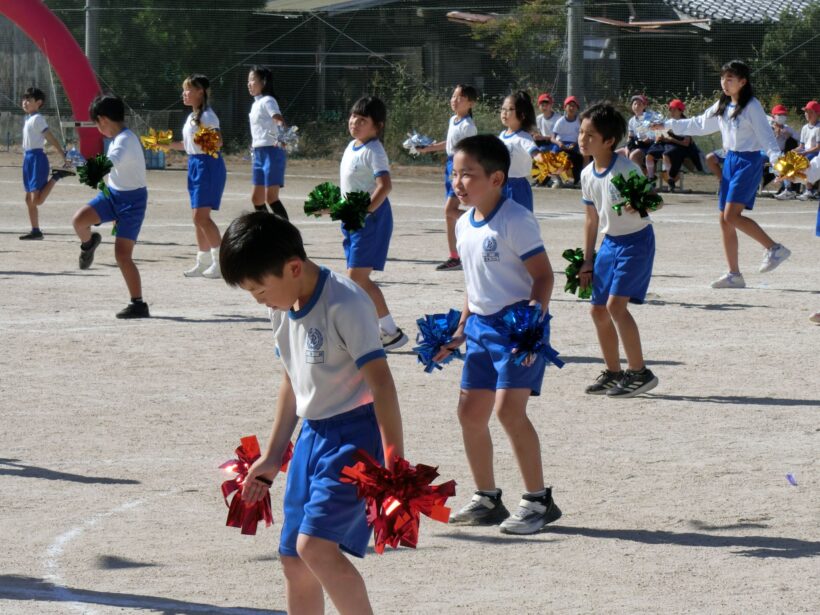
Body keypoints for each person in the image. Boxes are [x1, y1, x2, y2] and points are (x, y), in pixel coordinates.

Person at [220, 212, 404, 615]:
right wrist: (272, 455)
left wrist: (393, 462)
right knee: (293, 558)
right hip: (311, 437)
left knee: (315, 548)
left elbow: (383, 385)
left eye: (259, 290)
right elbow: (292, 380)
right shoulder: (281, 305)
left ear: (293, 267)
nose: (259, 300)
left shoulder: (347, 302)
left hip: (355, 439)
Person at [434, 134, 562, 535]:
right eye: (455, 174)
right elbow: (473, 288)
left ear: (496, 178)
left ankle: (539, 501)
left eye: (467, 175)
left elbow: (543, 276)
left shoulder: (515, 219)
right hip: (480, 328)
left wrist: (532, 328)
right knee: (470, 414)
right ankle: (488, 498)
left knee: (509, 412)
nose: (458, 182)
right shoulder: (463, 225)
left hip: (516, 326)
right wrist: (458, 333)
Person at [657, 60, 790, 289]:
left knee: (731, 216)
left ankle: (774, 248)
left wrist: (779, 164)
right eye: (723, 78)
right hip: (730, 161)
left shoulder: (752, 106)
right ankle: (734, 274)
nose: (724, 83)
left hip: (748, 161)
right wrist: (666, 125)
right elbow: (699, 124)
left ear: (742, 82)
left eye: (730, 79)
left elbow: (767, 138)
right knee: (724, 219)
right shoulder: (723, 104)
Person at [578, 102, 660, 398]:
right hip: (609, 244)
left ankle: (640, 372)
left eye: (590, 135)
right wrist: (588, 260)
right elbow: (591, 219)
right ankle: (614, 373)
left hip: (636, 242)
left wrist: (638, 202)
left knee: (615, 306)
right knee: (597, 310)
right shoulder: (587, 174)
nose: (582, 139)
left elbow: (654, 201)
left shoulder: (625, 169)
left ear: (609, 141)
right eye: (581, 132)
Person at [71, 94, 150, 318]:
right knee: (79, 221)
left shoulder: (125, 141)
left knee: (122, 256)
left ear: (103, 119)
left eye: (96, 122)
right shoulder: (117, 138)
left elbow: (100, 169)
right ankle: (89, 244)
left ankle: (138, 304)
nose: (97, 128)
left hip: (132, 203)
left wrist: (77, 161)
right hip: (112, 194)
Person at [340, 96, 407, 350]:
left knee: (357, 277)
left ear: (377, 126)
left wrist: (365, 211)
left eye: (362, 119)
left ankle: (390, 332)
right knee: (356, 279)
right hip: (351, 218)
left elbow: (385, 186)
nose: (354, 122)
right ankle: (381, 330)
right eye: (353, 117)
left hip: (370, 219)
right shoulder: (352, 146)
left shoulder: (374, 150)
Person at [416, 84, 478, 272]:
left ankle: (484, 222)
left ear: (470, 103)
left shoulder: (468, 126)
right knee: (449, 214)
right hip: (451, 166)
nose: (454, 100)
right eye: (453, 96)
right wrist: (428, 148)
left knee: (450, 210)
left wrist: (462, 173)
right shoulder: (454, 120)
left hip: (460, 167)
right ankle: (454, 256)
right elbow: (450, 144)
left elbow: (471, 151)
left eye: (460, 97)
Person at [170, 74, 226, 278]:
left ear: (200, 92)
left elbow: (218, 141)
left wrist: (204, 139)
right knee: (197, 219)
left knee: (201, 217)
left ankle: (220, 262)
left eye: (188, 90)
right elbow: (187, 146)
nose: (184, 94)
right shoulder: (192, 116)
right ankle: (202, 261)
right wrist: (161, 144)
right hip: (194, 163)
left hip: (208, 164)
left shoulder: (207, 116)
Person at [19, 87, 74, 240]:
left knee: (36, 200)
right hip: (28, 160)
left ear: (39, 103)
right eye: (24, 99)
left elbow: (50, 137)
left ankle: (57, 176)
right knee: (28, 200)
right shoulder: (28, 118)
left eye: (29, 100)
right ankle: (35, 231)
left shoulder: (38, 119)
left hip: (37, 159)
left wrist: (64, 155)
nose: (25, 102)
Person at [248, 65, 288, 218]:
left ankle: (287, 234)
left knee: (271, 197)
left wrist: (283, 137)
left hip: (272, 151)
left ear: (263, 82)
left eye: (252, 80)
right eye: (248, 81)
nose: (249, 84)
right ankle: (268, 231)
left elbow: (278, 120)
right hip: (258, 153)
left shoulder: (268, 100)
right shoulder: (255, 104)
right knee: (256, 198)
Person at [645, 99, 701, 192]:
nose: (671, 111)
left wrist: (672, 139)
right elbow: (663, 135)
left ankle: (671, 180)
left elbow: (686, 143)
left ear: (680, 111)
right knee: (649, 155)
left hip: (681, 147)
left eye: (674, 109)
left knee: (667, 154)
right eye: (670, 109)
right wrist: (659, 135)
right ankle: (651, 178)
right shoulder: (669, 121)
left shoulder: (686, 123)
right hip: (668, 144)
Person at [498, 91, 539, 211]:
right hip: (499, 185)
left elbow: (535, 153)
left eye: (510, 109)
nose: (504, 113)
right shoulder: (501, 135)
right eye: (503, 109)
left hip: (517, 188)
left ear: (522, 115)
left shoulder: (524, 137)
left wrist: (547, 163)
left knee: (519, 224)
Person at [552, 95, 584, 185]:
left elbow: (582, 135)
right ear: (565, 107)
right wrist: (559, 143)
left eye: (574, 105)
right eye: (569, 105)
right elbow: (552, 138)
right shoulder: (560, 121)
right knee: (552, 155)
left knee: (579, 157)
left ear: (577, 108)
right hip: (561, 144)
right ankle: (558, 180)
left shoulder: (579, 121)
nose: (571, 107)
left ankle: (577, 180)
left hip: (575, 144)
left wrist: (575, 143)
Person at [795, 100, 820, 201]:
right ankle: (789, 189)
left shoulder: (819, 128)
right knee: (788, 161)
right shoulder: (804, 128)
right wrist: (793, 151)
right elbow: (801, 146)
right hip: (806, 152)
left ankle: (809, 190)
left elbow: (818, 147)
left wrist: (805, 153)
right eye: (806, 112)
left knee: (802, 162)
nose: (807, 114)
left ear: (817, 114)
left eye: (811, 112)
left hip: (816, 153)